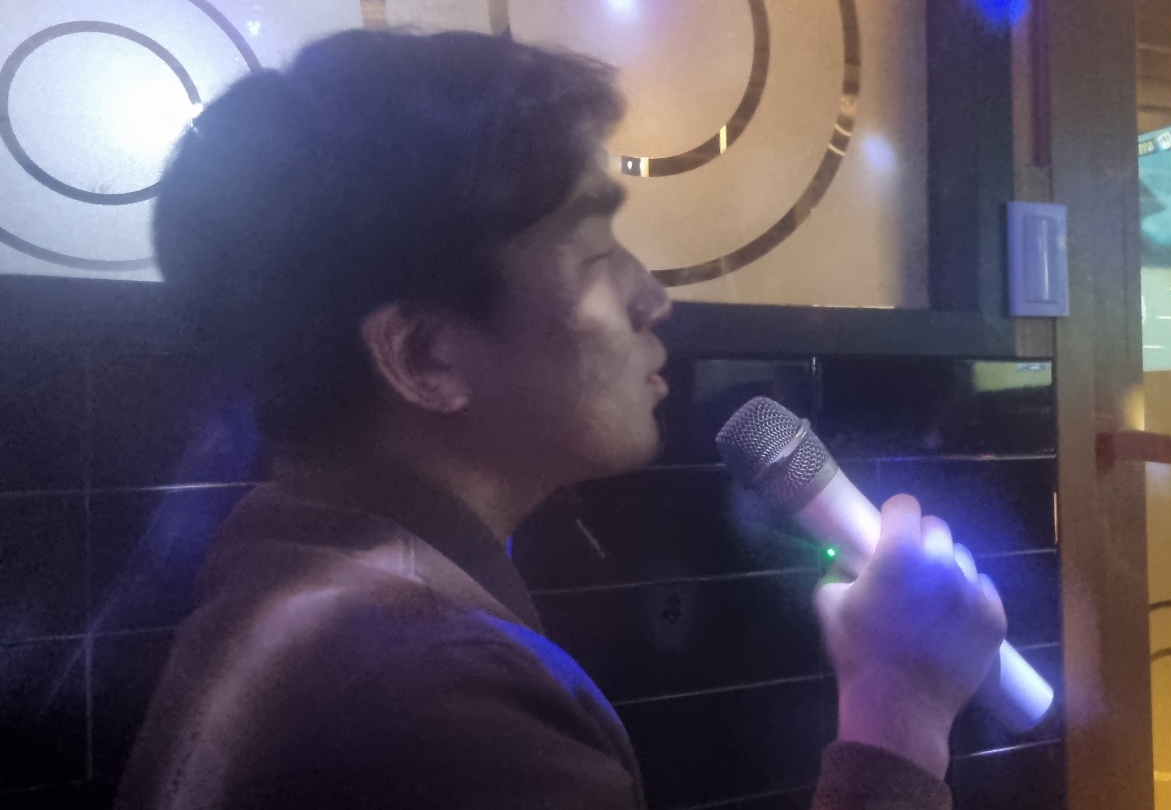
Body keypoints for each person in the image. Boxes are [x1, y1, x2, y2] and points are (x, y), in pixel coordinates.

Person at [116, 29, 1007, 810]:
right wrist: (899, 720)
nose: (652, 298)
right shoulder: (441, 704)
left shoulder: (292, 571)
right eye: (593, 252)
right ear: (424, 356)